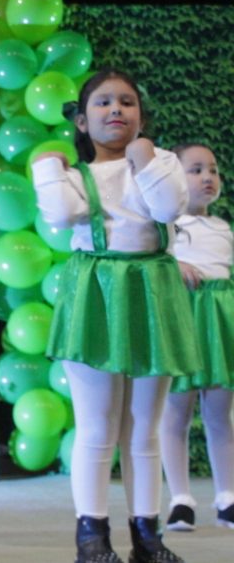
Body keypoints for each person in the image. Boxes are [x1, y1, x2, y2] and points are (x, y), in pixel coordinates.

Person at [32, 69, 200, 563]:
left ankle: (148, 536)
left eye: (127, 102)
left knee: (145, 426)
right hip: (97, 295)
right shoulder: (75, 176)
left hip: (153, 293)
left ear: (141, 116)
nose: (116, 110)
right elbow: (59, 214)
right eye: (103, 103)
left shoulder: (161, 162)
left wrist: (144, 157)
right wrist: (46, 166)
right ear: (82, 122)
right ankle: (92, 539)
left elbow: (168, 208)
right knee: (97, 425)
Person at [160, 143, 234, 532]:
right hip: (183, 321)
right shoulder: (167, 227)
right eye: (195, 170)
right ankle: (180, 500)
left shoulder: (224, 228)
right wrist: (175, 264)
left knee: (220, 414)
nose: (207, 177)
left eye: (213, 170)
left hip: (219, 324)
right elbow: (152, 263)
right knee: (176, 413)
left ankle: (227, 497)